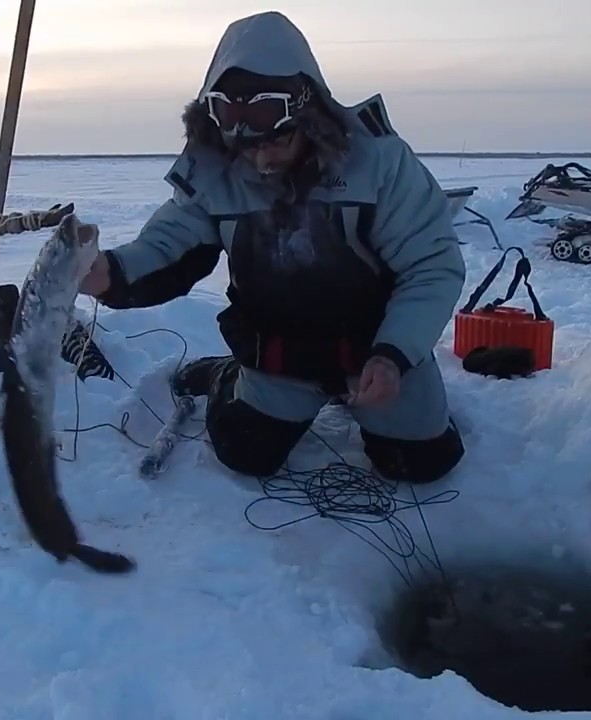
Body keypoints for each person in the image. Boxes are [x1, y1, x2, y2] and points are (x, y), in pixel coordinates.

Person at [78, 10, 467, 484]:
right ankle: (226, 376)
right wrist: (111, 273)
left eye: (276, 141)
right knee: (245, 454)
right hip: (281, 353)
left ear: (311, 117)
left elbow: (432, 266)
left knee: (422, 465)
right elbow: (168, 243)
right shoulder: (215, 173)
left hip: (376, 353)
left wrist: (393, 355)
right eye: (247, 147)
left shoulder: (380, 162)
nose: (261, 160)